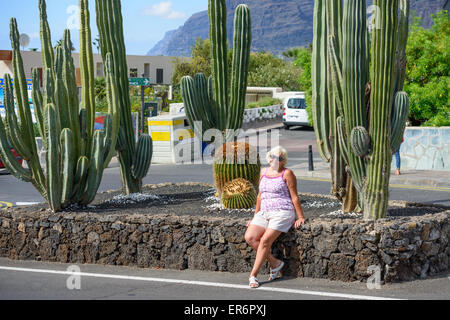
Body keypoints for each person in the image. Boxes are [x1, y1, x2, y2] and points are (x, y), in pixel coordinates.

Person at [244, 146, 306, 288]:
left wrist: (300, 216)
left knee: (265, 240)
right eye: (272, 156)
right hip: (264, 212)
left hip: (282, 212)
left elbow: (294, 196)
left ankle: (253, 275)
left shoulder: (287, 173)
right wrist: (254, 217)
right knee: (250, 238)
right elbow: (260, 196)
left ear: (283, 161)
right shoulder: (263, 172)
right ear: (268, 158)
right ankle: (275, 263)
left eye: (279, 158)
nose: (275, 160)